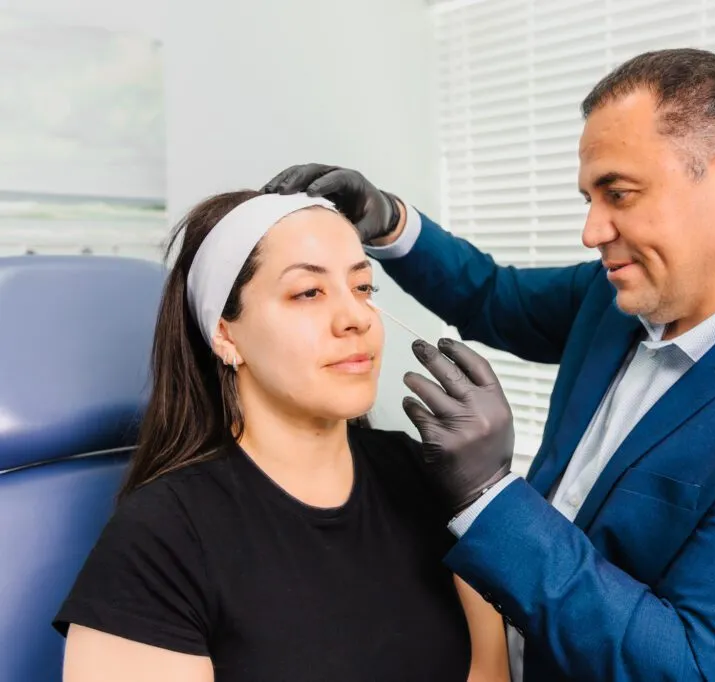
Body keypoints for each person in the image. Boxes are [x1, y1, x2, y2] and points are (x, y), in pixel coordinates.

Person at [264, 48, 715, 682]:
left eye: (619, 193)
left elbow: (693, 669)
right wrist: (389, 224)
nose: (592, 230)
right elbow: (493, 298)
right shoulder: (630, 290)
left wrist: (487, 496)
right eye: (589, 197)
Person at [53, 190, 510, 682]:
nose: (355, 317)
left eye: (362, 288)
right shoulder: (161, 538)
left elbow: (489, 671)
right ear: (225, 335)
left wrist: (488, 502)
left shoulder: (430, 476)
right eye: (308, 293)